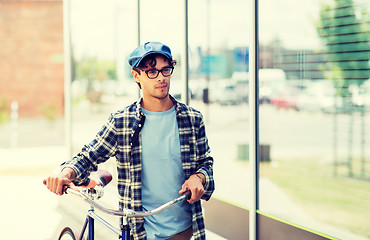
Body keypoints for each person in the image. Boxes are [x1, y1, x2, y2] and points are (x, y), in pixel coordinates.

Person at [44, 41, 215, 240]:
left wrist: (199, 177)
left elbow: (206, 163)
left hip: (184, 232)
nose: (161, 77)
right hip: (138, 233)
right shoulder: (121, 122)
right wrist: (65, 174)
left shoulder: (192, 119)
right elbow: (87, 157)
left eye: (165, 70)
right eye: (151, 71)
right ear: (137, 76)